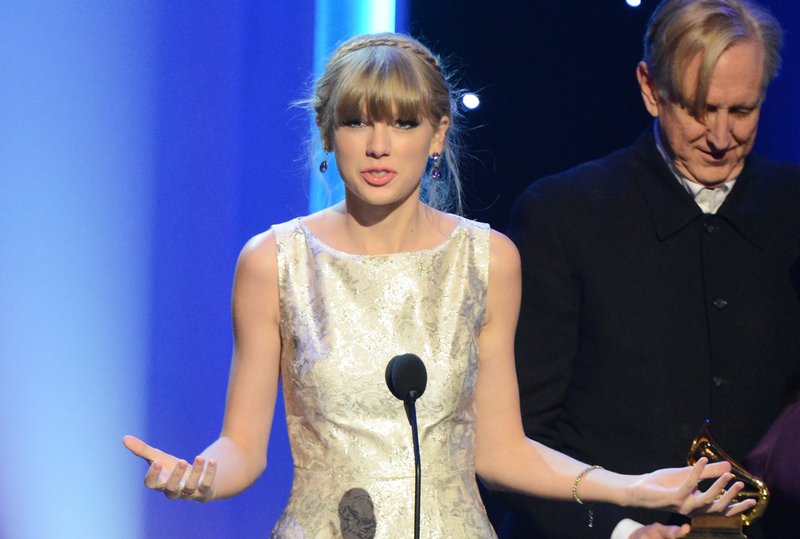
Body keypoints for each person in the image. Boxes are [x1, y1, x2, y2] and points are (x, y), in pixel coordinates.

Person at [123, 33, 754, 538]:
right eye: (356, 123)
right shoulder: (274, 261)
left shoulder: (488, 260)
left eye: (401, 123)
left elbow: (501, 449)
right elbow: (243, 448)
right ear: (326, 134)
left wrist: (631, 487)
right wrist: (201, 476)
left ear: (438, 134)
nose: (377, 146)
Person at [501, 1, 800, 538]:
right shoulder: (565, 215)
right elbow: (518, 437)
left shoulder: (793, 211)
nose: (720, 135)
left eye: (743, 111)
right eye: (699, 109)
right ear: (649, 89)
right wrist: (621, 532)